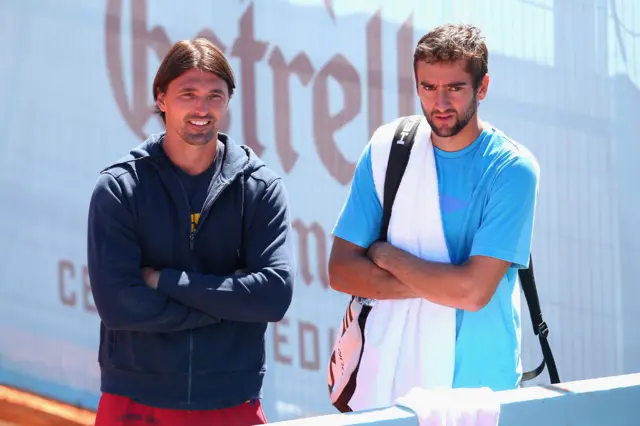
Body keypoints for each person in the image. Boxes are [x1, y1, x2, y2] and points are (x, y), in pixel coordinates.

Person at [87, 37, 295, 426]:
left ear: (228, 101)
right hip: (134, 401)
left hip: (231, 401)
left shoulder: (261, 188)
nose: (201, 108)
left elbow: (273, 297)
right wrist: (227, 305)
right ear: (161, 98)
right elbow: (118, 305)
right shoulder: (119, 188)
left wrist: (162, 280)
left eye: (214, 95)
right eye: (188, 94)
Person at [329, 24, 540, 395]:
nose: (440, 103)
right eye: (428, 88)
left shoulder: (512, 169)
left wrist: (385, 255)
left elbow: (472, 293)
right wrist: (443, 285)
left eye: (455, 88)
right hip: (389, 384)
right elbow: (342, 271)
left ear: (483, 87)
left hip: (478, 388)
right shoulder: (388, 148)